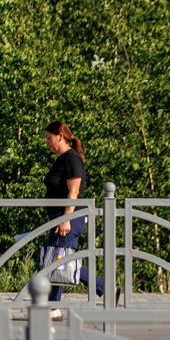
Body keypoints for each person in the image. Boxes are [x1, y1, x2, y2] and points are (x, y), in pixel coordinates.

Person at [42, 120, 118, 320]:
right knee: (61, 260)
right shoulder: (62, 159)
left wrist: (66, 218)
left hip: (70, 216)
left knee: (60, 260)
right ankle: (106, 289)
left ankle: (54, 307)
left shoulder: (72, 158)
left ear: (60, 136)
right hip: (59, 217)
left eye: (49, 138)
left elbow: (74, 191)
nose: (47, 143)